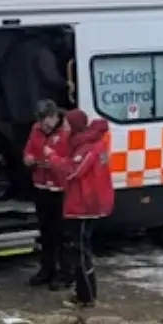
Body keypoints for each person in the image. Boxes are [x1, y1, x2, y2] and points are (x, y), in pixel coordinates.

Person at [59, 109, 112, 308]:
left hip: (84, 205)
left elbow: (74, 172)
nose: (63, 129)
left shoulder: (87, 147)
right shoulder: (88, 143)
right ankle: (83, 293)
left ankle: (87, 297)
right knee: (79, 249)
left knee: (81, 252)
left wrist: (54, 160)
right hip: (85, 203)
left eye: (65, 125)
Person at [22, 100, 70, 289]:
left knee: (64, 234)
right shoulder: (36, 129)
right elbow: (28, 150)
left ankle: (66, 273)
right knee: (46, 232)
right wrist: (28, 159)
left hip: (60, 187)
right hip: (42, 185)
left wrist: (54, 162)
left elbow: (71, 159)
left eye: (45, 121)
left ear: (54, 116)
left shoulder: (67, 131)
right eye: (40, 122)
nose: (43, 125)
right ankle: (47, 270)